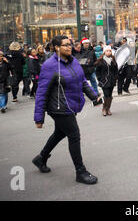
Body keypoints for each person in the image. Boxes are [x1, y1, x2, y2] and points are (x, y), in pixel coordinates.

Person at [32, 35, 101, 185]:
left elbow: (82, 81)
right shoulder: (49, 66)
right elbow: (41, 92)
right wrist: (39, 118)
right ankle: (80, 171)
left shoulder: (73, 61)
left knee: (59, 133)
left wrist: (94, 97)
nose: (69, 47)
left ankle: (41, 158)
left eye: (70, 44)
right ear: (56, 48)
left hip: (70, 104)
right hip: (59, 108)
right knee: (74, 135)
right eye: (65, 45)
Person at [95, 45, 119, 116]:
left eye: (109, 51)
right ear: (104, 52)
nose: (108, 52)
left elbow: (116, 70)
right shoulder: (100, 61)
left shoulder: (113, 60)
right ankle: (104, 109)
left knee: (110, 96)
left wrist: (115, 78)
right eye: (107, 51)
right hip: (104, 81)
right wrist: (99, 79)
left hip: (111, 81)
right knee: (106, 95)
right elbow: (97, 71)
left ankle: (108, 108)